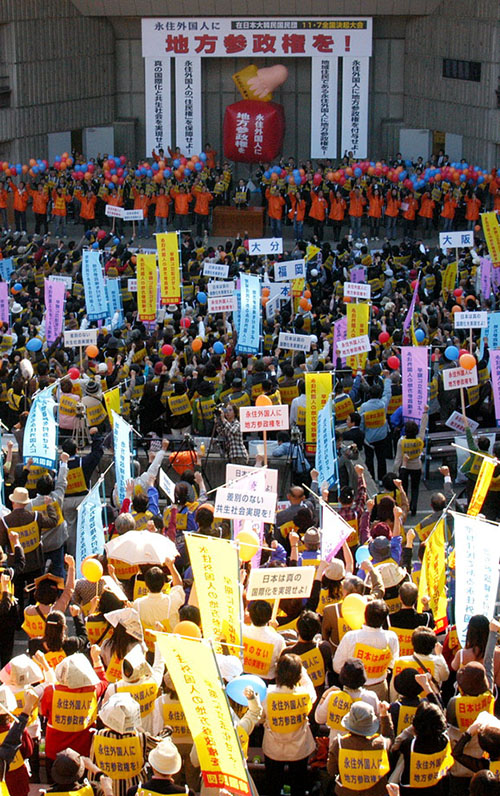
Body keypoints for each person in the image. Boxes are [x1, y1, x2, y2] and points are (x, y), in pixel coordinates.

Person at [260, 653, 317, 796]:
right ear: (298, 676)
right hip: (299, 749)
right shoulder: (305, 694)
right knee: (298, 787)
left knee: (272, 787)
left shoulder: (266, 695)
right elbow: (310, 687)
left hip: (273, 749)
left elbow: (259, 719)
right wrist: (301, 671)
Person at [327, 699, 393, 796]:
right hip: (376, 793)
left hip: (346, 792)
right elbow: (389, 738)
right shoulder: (381, 744)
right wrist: (384, 715)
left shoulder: (339, 743)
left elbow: (332, 770)